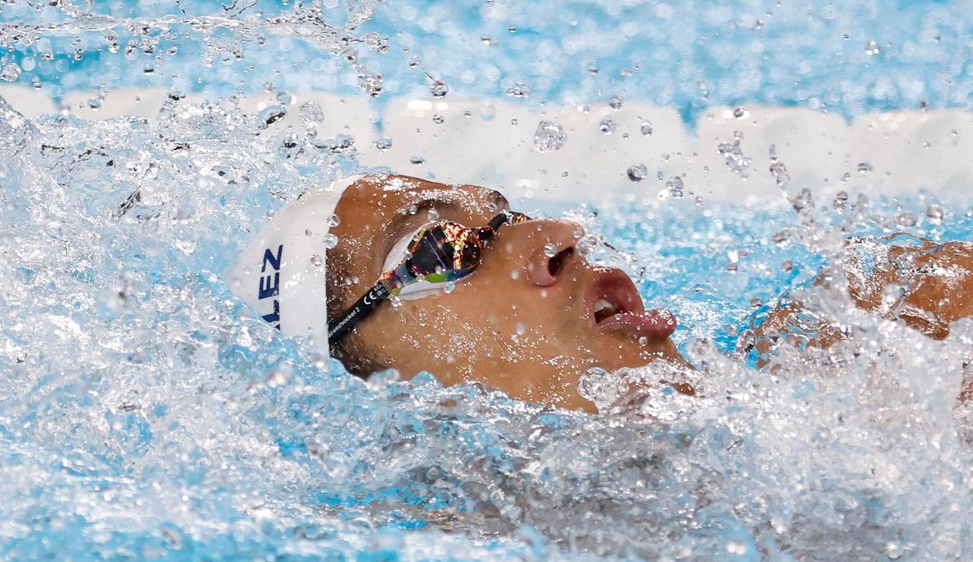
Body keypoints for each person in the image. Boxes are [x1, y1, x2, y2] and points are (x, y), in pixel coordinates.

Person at [225, 172, 973, 412]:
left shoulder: (876, 348)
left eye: (507, 215)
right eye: (436, 247)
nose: (554, 232)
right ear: (373, 390)